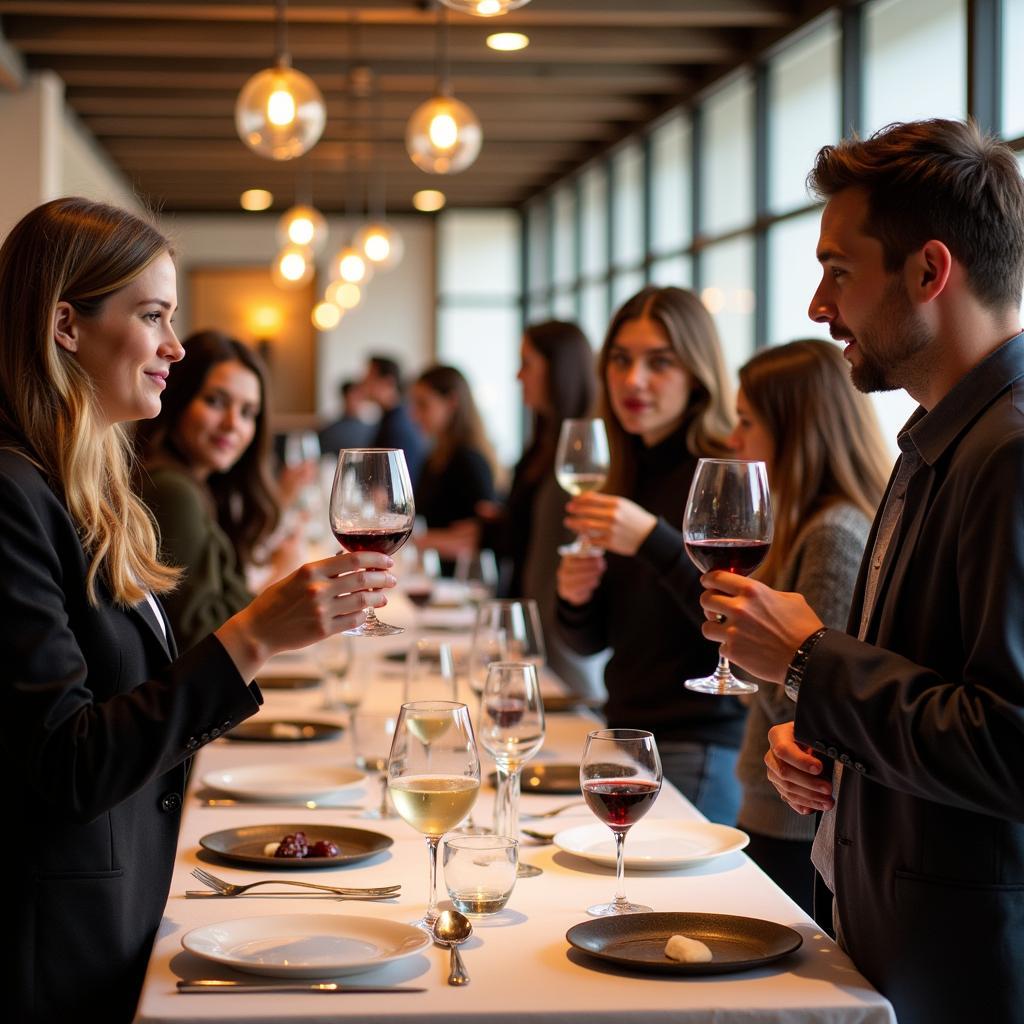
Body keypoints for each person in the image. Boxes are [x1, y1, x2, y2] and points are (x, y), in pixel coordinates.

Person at [0, 197, 396, 1023]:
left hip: (122, 905)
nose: (175, 348)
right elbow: (66, 764)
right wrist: (252, 638)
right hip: (53, 946)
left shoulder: (85, 488)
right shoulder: (11, 494)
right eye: (153, 316)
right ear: (65, 325)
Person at [696, 120, 1024, 1024]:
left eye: (838, 270)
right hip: (895, 945)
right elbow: (937, 695)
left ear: (929, 273)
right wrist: (835, 752)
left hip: (967, 973)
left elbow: (1011, 744)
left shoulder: (1010, 451)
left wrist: (810, 663)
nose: (815, 304)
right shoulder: (934, 441)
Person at [556, 286, 745, 822]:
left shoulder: (721, 472)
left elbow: (734, 621)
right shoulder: (624, 468)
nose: (633, 380)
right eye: (620, 360)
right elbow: (589, 642)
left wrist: (651, 540)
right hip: (621, 735)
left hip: (699, 745)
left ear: (697, 371)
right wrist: (575, 597)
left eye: (658, 362)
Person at [728, 340, 890, 914]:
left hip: (795, 823)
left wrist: (746, 651)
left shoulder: (832, 535)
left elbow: (813, 710)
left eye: (746, 421)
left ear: (795, 429)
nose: (733, 439)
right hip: (777, 810)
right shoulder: (804, 526)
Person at [135, 331, 295, 652]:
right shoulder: (171, 490)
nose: (233, 424)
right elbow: (200, 637)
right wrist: (282, 576)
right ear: (178, 398)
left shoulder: (200, 486)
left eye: (248, 413)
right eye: (216, 402)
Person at [479, 320, 606, 699]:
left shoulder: (585, 451)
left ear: (559, 368)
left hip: (563, 638)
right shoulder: (543, 442)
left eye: (527, 363)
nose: (518, 376)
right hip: (531, 622)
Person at [408, 364, 497, 562]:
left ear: (451, 402)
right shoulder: (434, 457)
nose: (414, 415)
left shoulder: (470, 462)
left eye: (423, 405)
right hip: (437, 575)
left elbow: (478, 540)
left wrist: (416, 541)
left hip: (464, 583)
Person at [361, 353, 427, 485]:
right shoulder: (392, 419)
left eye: (369, 377)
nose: (363, 381)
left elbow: (391, 487)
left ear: (388, 381)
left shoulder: (397, 427)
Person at [318, 378, 374, 456]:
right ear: (345, 397)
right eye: (353, 397)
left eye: (359, 397)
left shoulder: (372, 430)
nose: (356, 401)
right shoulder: (332, 431)